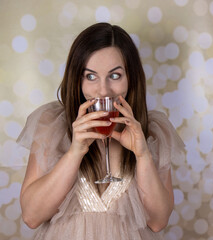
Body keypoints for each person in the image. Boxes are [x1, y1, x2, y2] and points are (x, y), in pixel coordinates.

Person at [17, 22, 184, 239]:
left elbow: (158, 222)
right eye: (91, 76)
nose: (103, 90)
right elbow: (31, 216)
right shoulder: (52, 124)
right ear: (77, 79)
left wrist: (142, 156)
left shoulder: (152, 131)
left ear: (130, 78)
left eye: (114, 76)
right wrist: (75, 152)